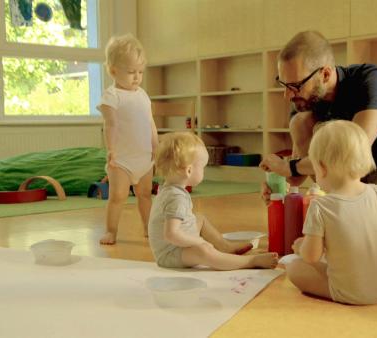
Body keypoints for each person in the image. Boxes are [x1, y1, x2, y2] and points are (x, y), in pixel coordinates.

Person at [259, 31, 377, 234]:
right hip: (353, 174)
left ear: (326, 74)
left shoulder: (371, 80)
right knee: (301, 122)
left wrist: (290, 167)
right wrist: (278, 184)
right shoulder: (305, 100)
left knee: (360, 225)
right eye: (283, 84)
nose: (288, 95)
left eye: (295, 85)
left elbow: (355, 150)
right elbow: (296, 174)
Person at [286, 120, 377, 305]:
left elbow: (311, 257)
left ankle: (350, 286)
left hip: (351, 292)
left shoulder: (321, 206)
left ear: (322, 168)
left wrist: (301, 246)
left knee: (295, 268)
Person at [148, 132, 278, 270]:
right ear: (189, 171)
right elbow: (171, 235)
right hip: (170, 254)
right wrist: (200, 241)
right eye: (202, 167)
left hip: (176, 244)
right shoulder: (175, 198)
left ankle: (225, 247)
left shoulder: (169, 189)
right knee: (204, 252)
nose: (203, 172)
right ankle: (250, 261)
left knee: (200, 219)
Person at [98, 34, 158, 245]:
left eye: (140, 72)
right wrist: (111, 150)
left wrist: (155, 146)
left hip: (144, 158)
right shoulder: (112, 95)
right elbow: (110, 124)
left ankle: (148, 229)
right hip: (122, 160)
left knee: (145, 196)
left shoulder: (142, 95)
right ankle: (111, 231)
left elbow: (150, 123)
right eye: (131, 72)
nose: (137, 77)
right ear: (113, 70)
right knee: (117, 197)